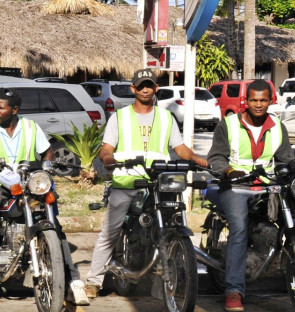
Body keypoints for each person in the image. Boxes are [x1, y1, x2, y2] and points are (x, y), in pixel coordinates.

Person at [84, 68, 209, 298]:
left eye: (149, 85)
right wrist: (108, 159)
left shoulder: (165, 117)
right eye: (140, 86)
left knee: (168, 227)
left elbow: (179, 148)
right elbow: (107, 149)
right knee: (110, 231)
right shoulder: (119, 117)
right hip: (126, 182)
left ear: (155, 89)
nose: (145, 89)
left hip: (158, 183)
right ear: (133, 89)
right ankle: (94, 280)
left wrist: (196, 158)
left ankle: (162, 279)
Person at [0, 88, 88, 309]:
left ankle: (73, 280)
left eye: (1, 107)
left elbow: (47, 153)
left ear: (15, 110)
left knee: (54, 225)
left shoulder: (30, 127)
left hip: (27, 183)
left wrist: (46, 172)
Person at [207, 79, 295, 312]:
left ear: (271, 101)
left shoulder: (277, 126)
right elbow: (216, 157)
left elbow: (285, 156)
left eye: (263, 100)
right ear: (246, 101)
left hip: (268, 187)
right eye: (254, 100)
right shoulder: (228, 124)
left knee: (294, 224)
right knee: (239, 228)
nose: (259, 105)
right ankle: (233, 290)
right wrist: (229, 170)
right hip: (235, 187)